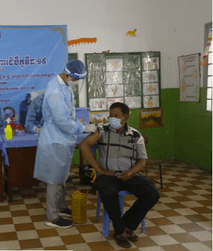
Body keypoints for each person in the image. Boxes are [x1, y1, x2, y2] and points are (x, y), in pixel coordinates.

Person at [79, 102, 159, 248]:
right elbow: (84, 145)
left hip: (130, 174)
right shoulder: (102, 130)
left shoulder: (136, 135)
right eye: (110, 115)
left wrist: (131, 172)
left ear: (126, 117)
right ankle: (120, 231)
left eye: (116, 116)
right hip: (108, 175)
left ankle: (127, 226)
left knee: (152, 192)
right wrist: (98, 169)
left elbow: (142, 161)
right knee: (107, 191)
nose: (112, 118)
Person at [34, 59, 96, 228]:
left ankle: (60, 207)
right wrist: (83, 128)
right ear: (69, 75)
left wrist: (79, 123)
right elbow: (62, 121)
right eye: (76, 79)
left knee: (61, 177)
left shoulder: (65, 86)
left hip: (63, 138)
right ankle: (52, 217)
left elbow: (70, 113)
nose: (76, 83)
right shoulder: (55, 90)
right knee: (54, 179)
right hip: (55, 138)